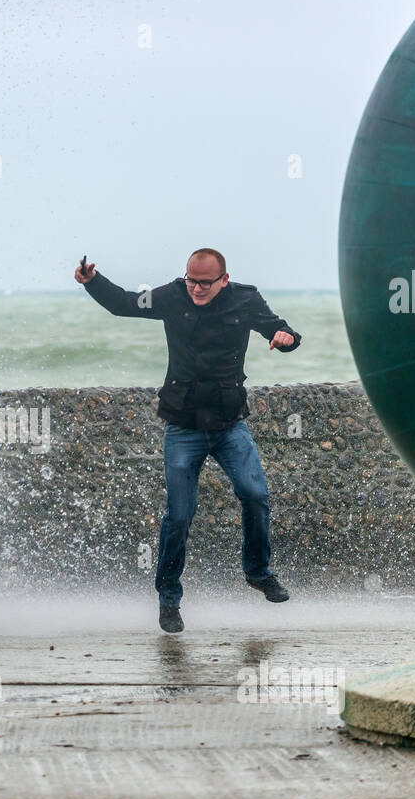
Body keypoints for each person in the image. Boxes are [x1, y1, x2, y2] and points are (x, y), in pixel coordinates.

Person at [76, 248, 303, 633]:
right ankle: (168, 599)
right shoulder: (171, 295)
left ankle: (258, 572)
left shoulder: (246, 298)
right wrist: (92, 282)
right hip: (182, 427)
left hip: (230, 425)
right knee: (179, 515)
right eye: (191, 280)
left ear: (223, 281)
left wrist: (287, 339)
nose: (196, 288)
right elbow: (125, 304)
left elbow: (282, 330)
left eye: (205, 282)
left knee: (255, 495)